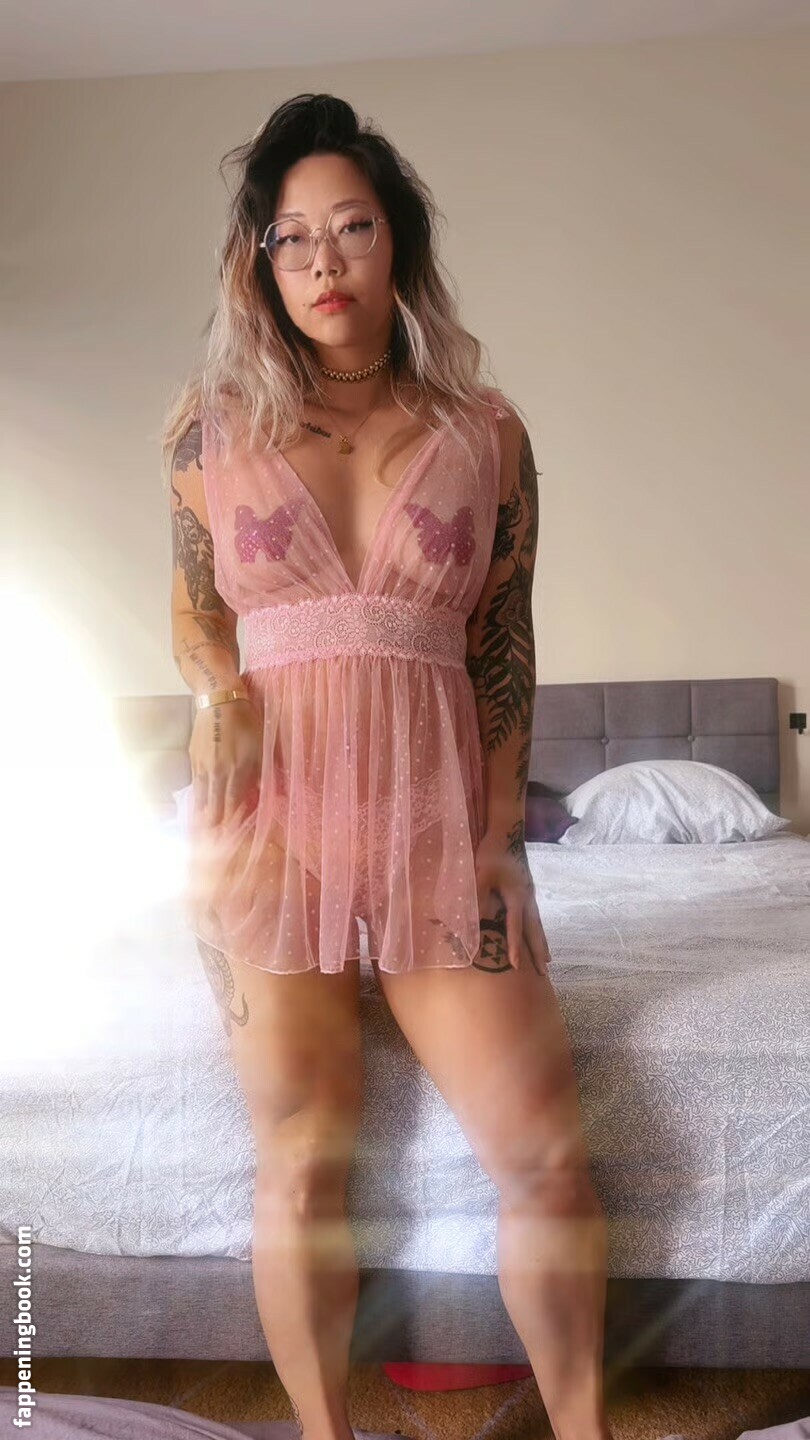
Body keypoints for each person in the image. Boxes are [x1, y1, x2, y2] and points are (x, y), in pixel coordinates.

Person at [164, 93, 616, 1440]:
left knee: (544, 1156)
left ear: (398, 242)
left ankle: (585, 1429)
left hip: (435, 827)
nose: (324, 262)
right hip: (269, 832)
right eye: (292, 237)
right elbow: (194, 615)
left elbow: (503, 640)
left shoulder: (488, 430)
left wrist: (498, 841)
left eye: (352, 228)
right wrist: (216, 694)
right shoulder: (206, 432)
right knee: (302, 1166)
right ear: (260, 262)